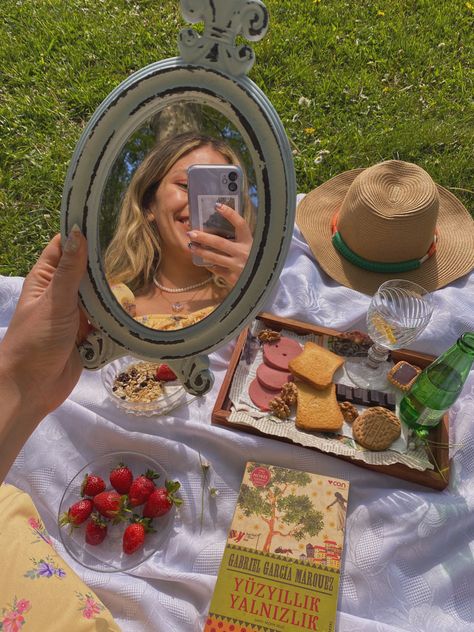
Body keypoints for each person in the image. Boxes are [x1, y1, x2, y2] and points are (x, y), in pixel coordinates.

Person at [104, 132, 255, 330]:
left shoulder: (254, 297)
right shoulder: (111, 302)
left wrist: (256, 286)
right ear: (149, 203)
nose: (201, 204)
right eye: (185, 185)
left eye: (217, 192)